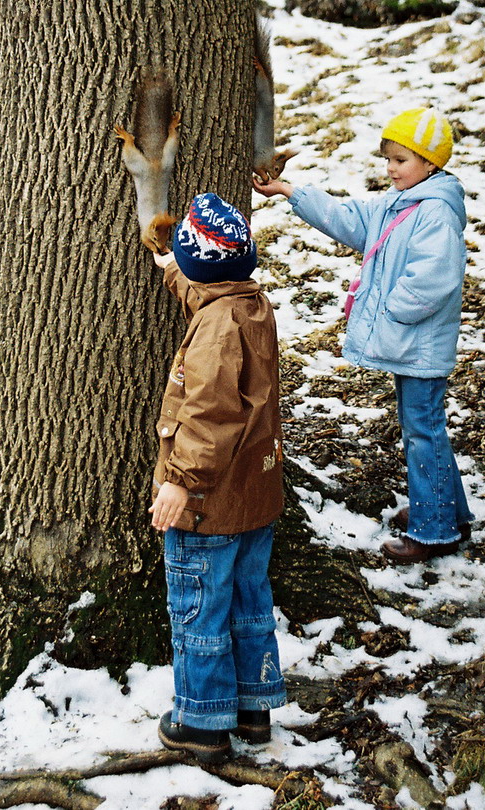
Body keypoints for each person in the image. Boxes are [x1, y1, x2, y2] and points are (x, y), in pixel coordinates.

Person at [253, 107, 474, 565]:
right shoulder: (400, 203)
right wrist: (289, 192)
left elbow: (434, 280)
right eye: (388, 159)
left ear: (431, 164)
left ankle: (435, 531)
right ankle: (448, 509)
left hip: (419, 345)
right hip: (409, 344)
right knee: (424, 425)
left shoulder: (434, 213)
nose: (391, 169)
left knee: (423, 430)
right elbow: (348, 217)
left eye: (401, 161)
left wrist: (390, 310)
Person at [149, 192, 287, 762]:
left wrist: (180, 481)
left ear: (200, 262)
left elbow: (209, 413)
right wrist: (173, 271)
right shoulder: (247, 303)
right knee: (248, 601)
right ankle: (254, 707)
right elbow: (210, 287)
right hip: (254, 498)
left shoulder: (213, 333)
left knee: (200, 610)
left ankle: (202, 723)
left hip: (207, 503)